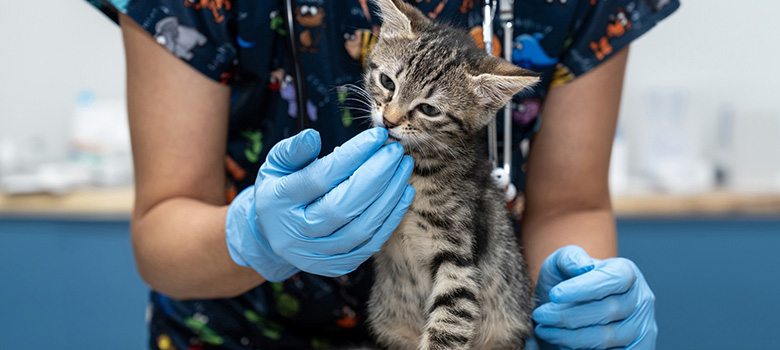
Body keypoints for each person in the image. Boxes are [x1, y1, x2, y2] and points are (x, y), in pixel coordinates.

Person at [85, 0, 678, 349]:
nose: (393, 116)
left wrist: (580, 295)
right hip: (236, 332)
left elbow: (570, 204)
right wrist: (254, 238)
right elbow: (160, 225)